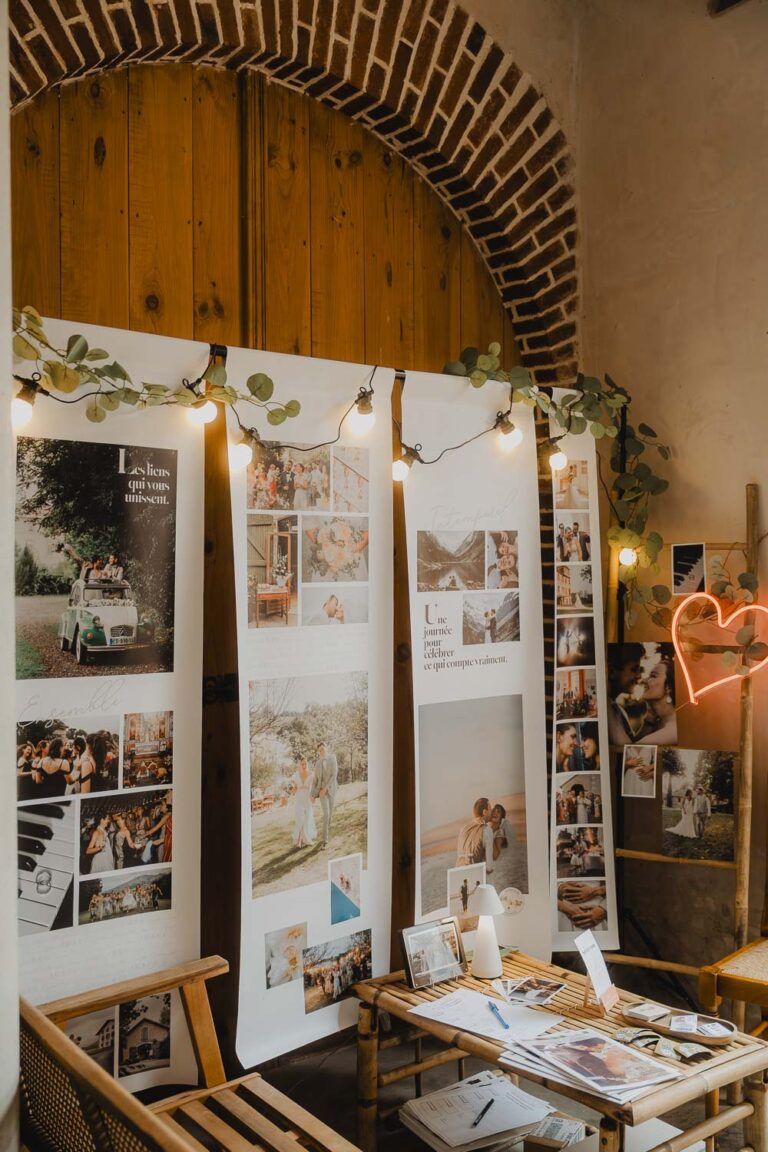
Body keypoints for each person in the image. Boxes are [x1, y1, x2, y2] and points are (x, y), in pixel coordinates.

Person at [607, 643, 646, 744]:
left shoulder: (619, 710)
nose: (639, 676)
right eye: (634, 669)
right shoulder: (604, 713)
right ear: (611, 672)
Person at [636, 657, 677, 745]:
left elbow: (630, 751)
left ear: (668, 687)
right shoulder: (657, 721)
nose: (644, 680)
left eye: (653, 676)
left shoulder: (673, 730)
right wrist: (649, 718)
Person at [311, 742, 338, 848]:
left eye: (323, 749)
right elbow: (315, 781)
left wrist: (326, 788)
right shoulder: (317, 764)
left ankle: (327, 831)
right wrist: (312, 794)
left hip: (331, 789)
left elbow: (334, 775)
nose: (321, 751)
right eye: (320, 750)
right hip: (321, 792)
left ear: (326, 748)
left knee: (330, 814)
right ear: (318, 752)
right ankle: (325, 840)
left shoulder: (333, 758)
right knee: (326, 815)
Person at [292, 757, 317, 848]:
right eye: (302, 764)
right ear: (299, 764)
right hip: (298, 799)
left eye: (305, 763)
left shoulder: (311, 774)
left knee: (306, 819)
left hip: (307, 798)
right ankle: (300, 840)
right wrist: (290, 790)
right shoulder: (295, 775)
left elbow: (315, 786)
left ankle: (302, 839)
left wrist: (313, 796)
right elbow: (294, 789)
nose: (304, 765)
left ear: (307, 764)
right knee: (300, 819)